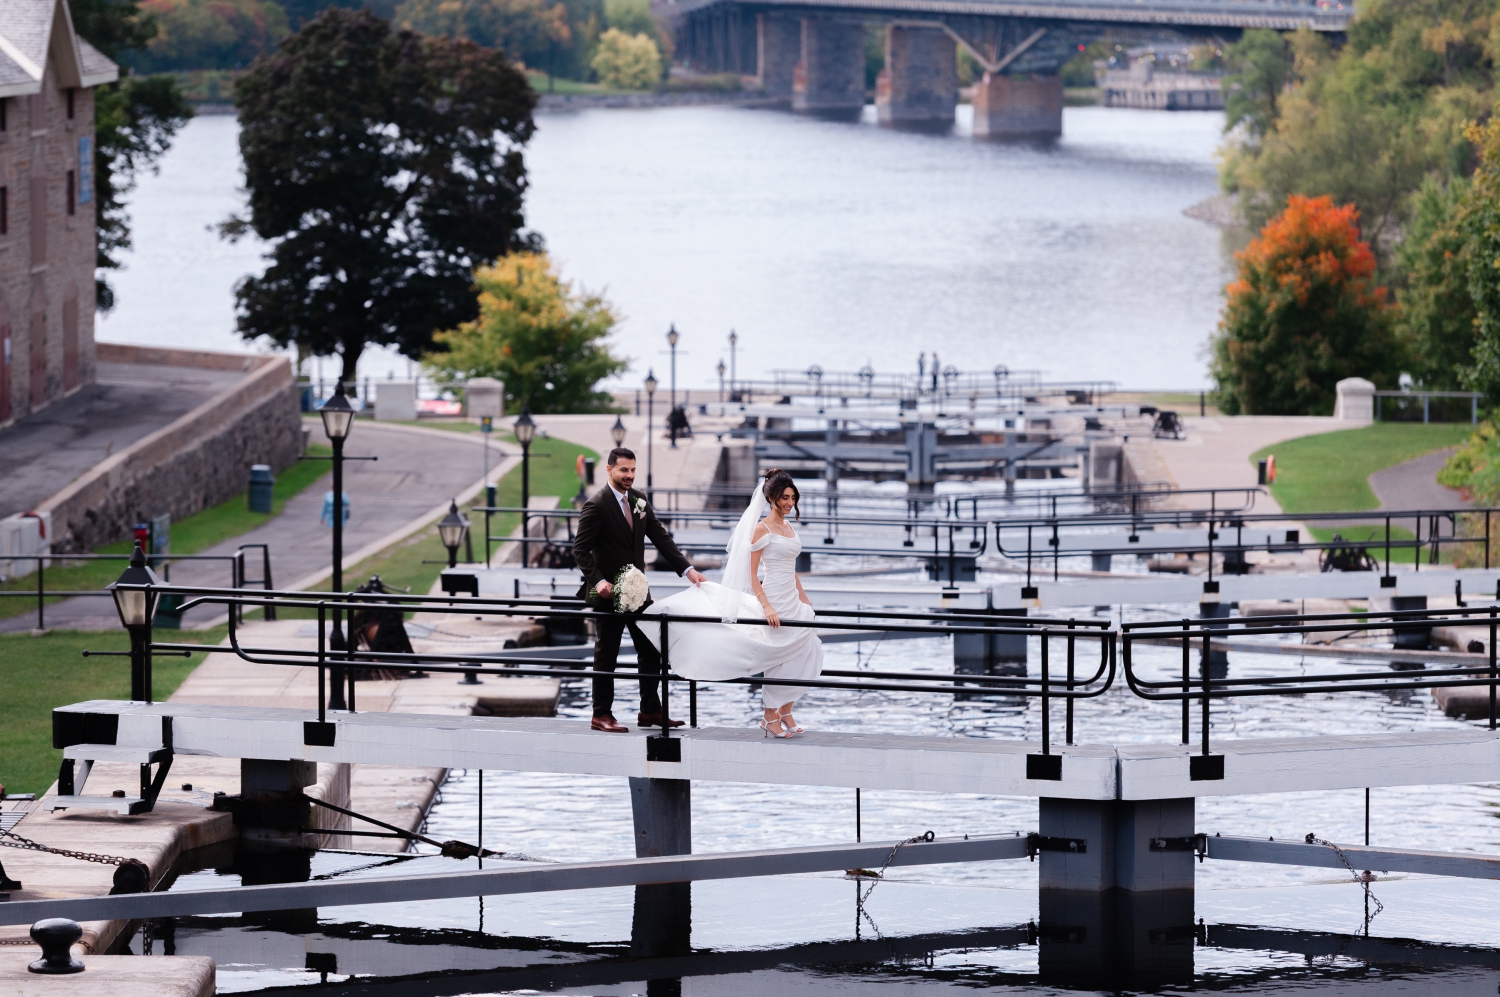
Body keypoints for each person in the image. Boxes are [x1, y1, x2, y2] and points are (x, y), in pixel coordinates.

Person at [641, 468, 824, 737]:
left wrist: (805, 598)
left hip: (792, 597)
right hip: (773, 597)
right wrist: (767, 606)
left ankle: (786, 710)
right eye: (785, 497)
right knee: (779, 655)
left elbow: (792, 568)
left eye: (793, 497)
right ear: (772, 498)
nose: (790, 503)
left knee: (807, 649)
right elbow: (752, 575)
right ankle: (769, 716)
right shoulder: (761, 529)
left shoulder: (788, 526)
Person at [574, 447, 705, 733]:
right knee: (606, 654)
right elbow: (580, 550)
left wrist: (688, 570)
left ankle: (649, 711)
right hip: (605, 593)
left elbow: (660, 536)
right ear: (610, 470)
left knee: (651, 648)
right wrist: (598, 581)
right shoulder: (596, 505)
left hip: (638, 593)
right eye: (624, 470)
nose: (629, 475)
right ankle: (601, 715)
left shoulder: (639, 500)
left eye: (632, 470)